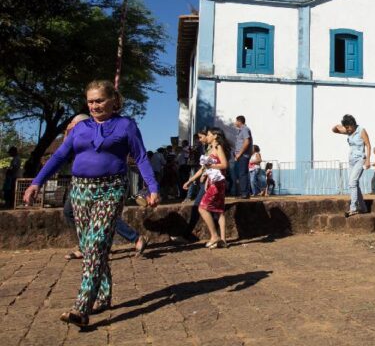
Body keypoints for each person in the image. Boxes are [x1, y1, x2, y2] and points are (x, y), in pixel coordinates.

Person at [24, 80, 159, 328]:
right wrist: (37, 182)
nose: (94, 106)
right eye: (90, 101)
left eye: (100, 100)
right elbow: (60, 155)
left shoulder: (126, 125)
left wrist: (153, 187)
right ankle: (104, 294)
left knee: (96, 244)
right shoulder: (80, 128)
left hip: (111, 189)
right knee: (90, 246)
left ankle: (81, 306)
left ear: (113, 101)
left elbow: (140, 156)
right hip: (80, 190)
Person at [59, 114, 148, 261]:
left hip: (100, 183)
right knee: (75, 212)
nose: (70, 125)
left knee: (104, 215)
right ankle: (89, 245)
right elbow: (64, 152)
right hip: (79, 183)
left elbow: (140, 156)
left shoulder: (95, 134)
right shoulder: (78, 134)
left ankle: (96, 245)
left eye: (73, 123)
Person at [185, 127, 230, 248]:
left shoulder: (217, 147)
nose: (207, 136)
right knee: (219, 210)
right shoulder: (211, 149)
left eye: (209, 135)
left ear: (215, 136)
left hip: (217, 183)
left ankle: (214, 236)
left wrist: (210, 166)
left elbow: (224, 164)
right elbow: (206, 169)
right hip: (215, 182)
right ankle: (223, 240)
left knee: (202, 208)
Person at [332, 115, 371, 217]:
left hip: (360, 159)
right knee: (354, 184)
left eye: (349, 127)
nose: (348, 129)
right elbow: (334, 130)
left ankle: (353, 208)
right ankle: (363, 207)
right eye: (347, 127)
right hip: (351, 161)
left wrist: (368, 160)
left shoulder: (361, 130)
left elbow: (368, 145)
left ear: (353, 124)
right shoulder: (348, 131)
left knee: (352, 182)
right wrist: (342, 125)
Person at [232, 115, 253, 198]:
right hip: (240, 155)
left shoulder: (245, 129)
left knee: (242, 174)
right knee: (240, 174)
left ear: (239, 121)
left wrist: (239, 154)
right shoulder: (241, 130)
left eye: (236, 121)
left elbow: (247, 142)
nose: (235, 123)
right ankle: (244, 192)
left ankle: (244, 193)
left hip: (243, 155)